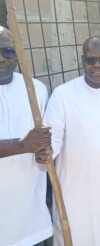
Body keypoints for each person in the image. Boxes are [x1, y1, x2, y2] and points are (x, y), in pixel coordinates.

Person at [42, 36, 100, 245]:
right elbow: (52, 137)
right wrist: (45, 151)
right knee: (76, 234)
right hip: (76, 190)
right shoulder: (63, 94)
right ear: (83, 60)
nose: (97, 66)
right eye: (91, 60)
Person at [0, 26, 53, 245]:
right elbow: (27, 143)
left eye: (8, 51)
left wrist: (44, 152)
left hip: (30, 216)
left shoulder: (36, 88)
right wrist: (22, 145)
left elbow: (46, 139)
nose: (2, 58)